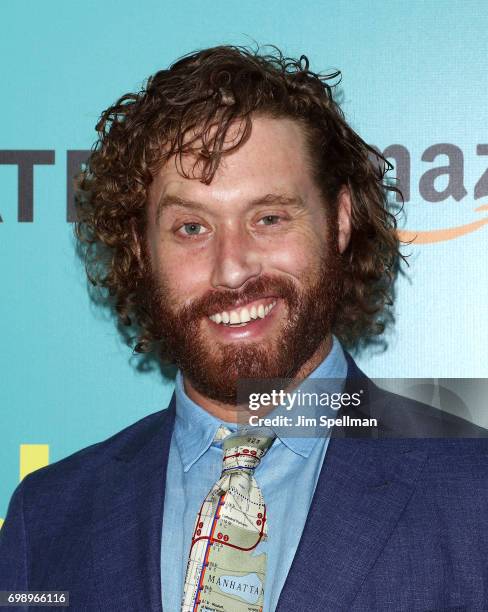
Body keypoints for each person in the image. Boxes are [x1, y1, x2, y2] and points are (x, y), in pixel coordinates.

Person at [1, 45, 487, 612]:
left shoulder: (476, 490)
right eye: (190, 227)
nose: (232, 267)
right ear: (140, 250)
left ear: (341, 220)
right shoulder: (49, 518)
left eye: (270, 218)